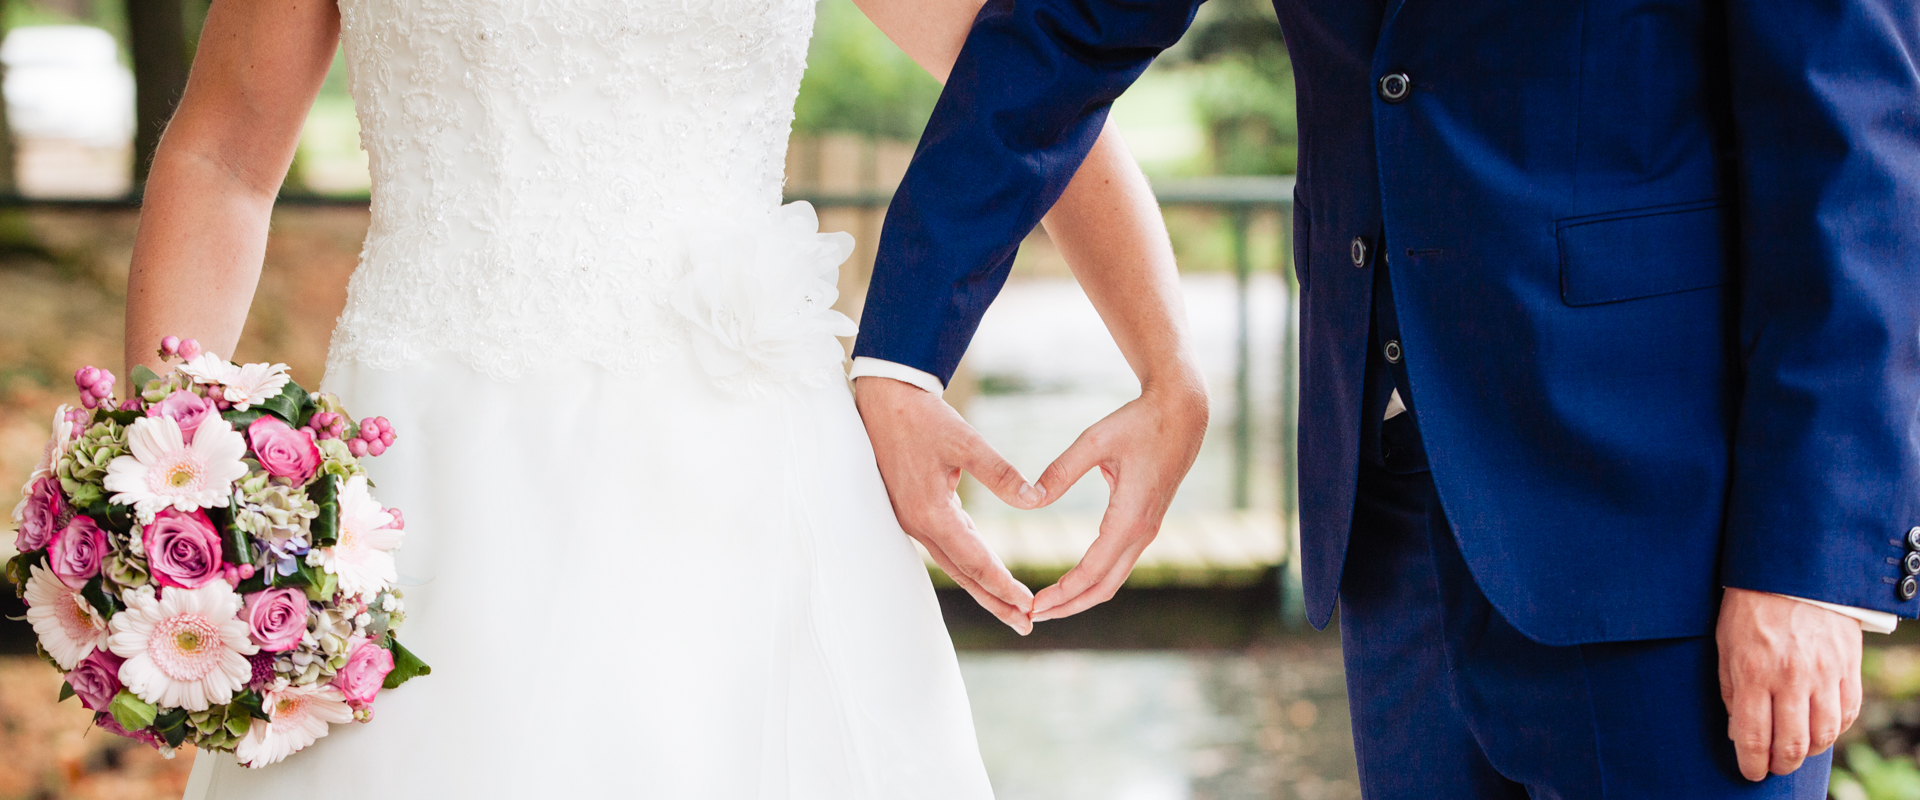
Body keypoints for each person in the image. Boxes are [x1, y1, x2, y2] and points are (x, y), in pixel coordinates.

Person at [120, 0, 1196, 796]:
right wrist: (169, 463)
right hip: (419, 478)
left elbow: (1029, 97)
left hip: (736, 478)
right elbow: (222, 153)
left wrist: (1167, 367)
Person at [851, 0, 1920, 796]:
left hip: (1669, 532)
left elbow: (1855, 145)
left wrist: (1809, 562)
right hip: (1387, 531)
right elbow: (1068, 26)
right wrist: (902, 351)